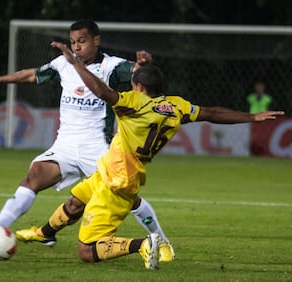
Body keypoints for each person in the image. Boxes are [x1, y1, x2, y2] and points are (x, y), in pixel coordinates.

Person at [44, 41, 283, 269]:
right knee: (84, 202)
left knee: (86, 250)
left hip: (120, 173)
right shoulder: (177, 106)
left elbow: (103, 92)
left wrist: (75, 64)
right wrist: (250, 117)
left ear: (138, 87)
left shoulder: (134, 103)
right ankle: (45, 232)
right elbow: (212, 112)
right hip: (133, 169)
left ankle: (145, 244)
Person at [0, 20, 174, 262]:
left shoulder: (112, 67)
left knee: (129, 199)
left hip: (97, 147)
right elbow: (34, 74)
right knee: (33, 177)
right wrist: (0, 80)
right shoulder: (64, 63)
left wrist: (143, 65)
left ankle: (162, 242)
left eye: (82, 42)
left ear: (96, 41)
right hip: (64, 145)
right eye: (73, 42)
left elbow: (139, 75)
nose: (76, 47)